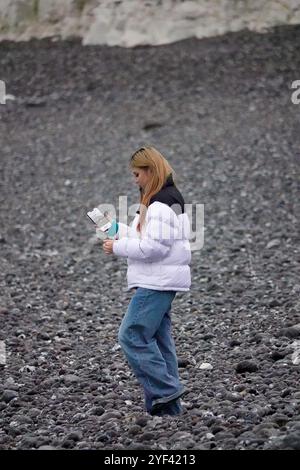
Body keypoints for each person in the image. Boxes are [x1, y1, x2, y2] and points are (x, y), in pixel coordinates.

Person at [102, 146, 191, 416]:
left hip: (157, 282)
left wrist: (115, 248)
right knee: (159, 341)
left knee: (131, 335)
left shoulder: (160, 204)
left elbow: (154, 249)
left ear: (150, 171)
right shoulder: (164, 199)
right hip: (162, 281)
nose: (135, 180)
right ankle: (169, 411)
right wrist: (117, 231)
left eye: (137, 174)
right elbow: (149, 239)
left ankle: (165, 392)